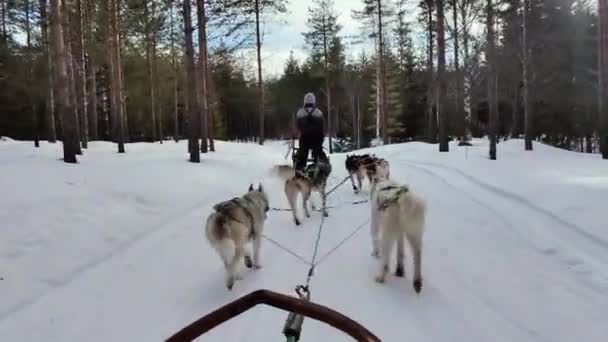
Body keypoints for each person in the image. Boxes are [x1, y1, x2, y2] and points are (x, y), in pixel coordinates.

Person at [294, 92, 326, 171]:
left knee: (302, 155)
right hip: (317, 139)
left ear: (304, 101)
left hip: (304, 139)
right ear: (314, 101)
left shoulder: (300, 113)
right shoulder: (319, 113)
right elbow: (322, 127)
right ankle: (318, 170)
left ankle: (300, 171)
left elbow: (297, 127)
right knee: (318, 154)